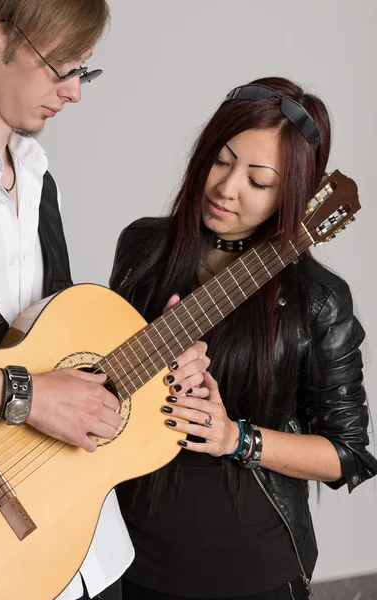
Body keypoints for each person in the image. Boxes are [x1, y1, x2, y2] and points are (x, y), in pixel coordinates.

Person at [109, 76, 377, 600]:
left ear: (292, 193)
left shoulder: (317, 299)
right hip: (126, 552)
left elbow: (346, 454)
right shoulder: (142, 247)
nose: (227, 188)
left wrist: (236, 436)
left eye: (258, 181)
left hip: (250, 568)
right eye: (222, 160)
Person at [0, 3, 209, 599]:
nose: (75, 93)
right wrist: (25, 395)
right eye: (63, 68)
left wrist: (160, 355)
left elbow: (52, 347)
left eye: (86, 72)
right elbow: (33, 385)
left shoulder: (36, 178)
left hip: (86, 548)